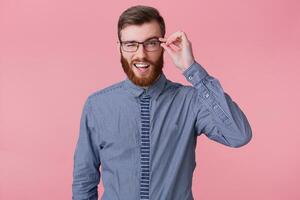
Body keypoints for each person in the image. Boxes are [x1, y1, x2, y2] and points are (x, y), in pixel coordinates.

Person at [72, 5, 252, 200]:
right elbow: (84, 181)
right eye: (131, 44)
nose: (141, 54)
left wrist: (191, 69)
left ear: (163, 45)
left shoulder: (190, 101)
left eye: (151, 43)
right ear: (120, 48)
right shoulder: (97, 106)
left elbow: (238, 135)